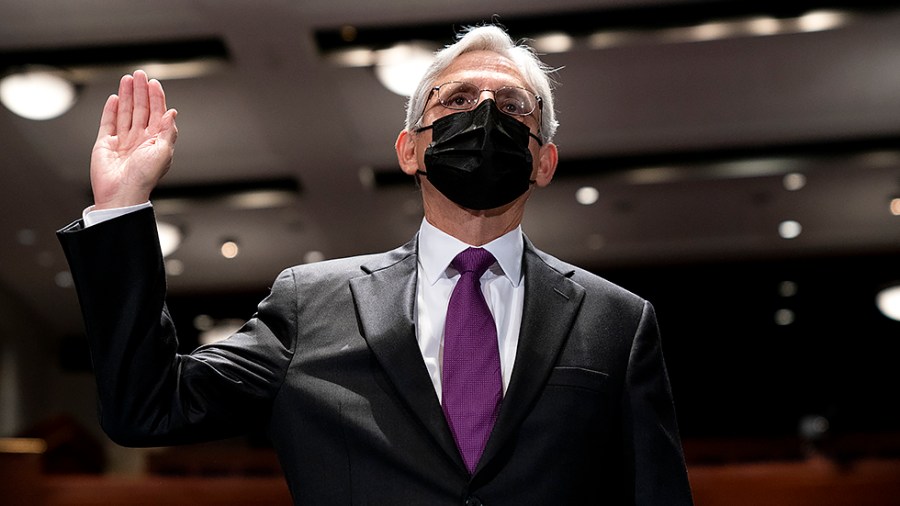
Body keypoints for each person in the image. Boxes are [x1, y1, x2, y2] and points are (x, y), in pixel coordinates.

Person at [58, 25, 693, 505]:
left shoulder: (617, 320)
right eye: (458, 101)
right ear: (410, 150)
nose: (485, 117)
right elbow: (146, 408)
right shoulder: (312, 303)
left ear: (545, 161)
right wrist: (120, 208)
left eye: (514, 107)